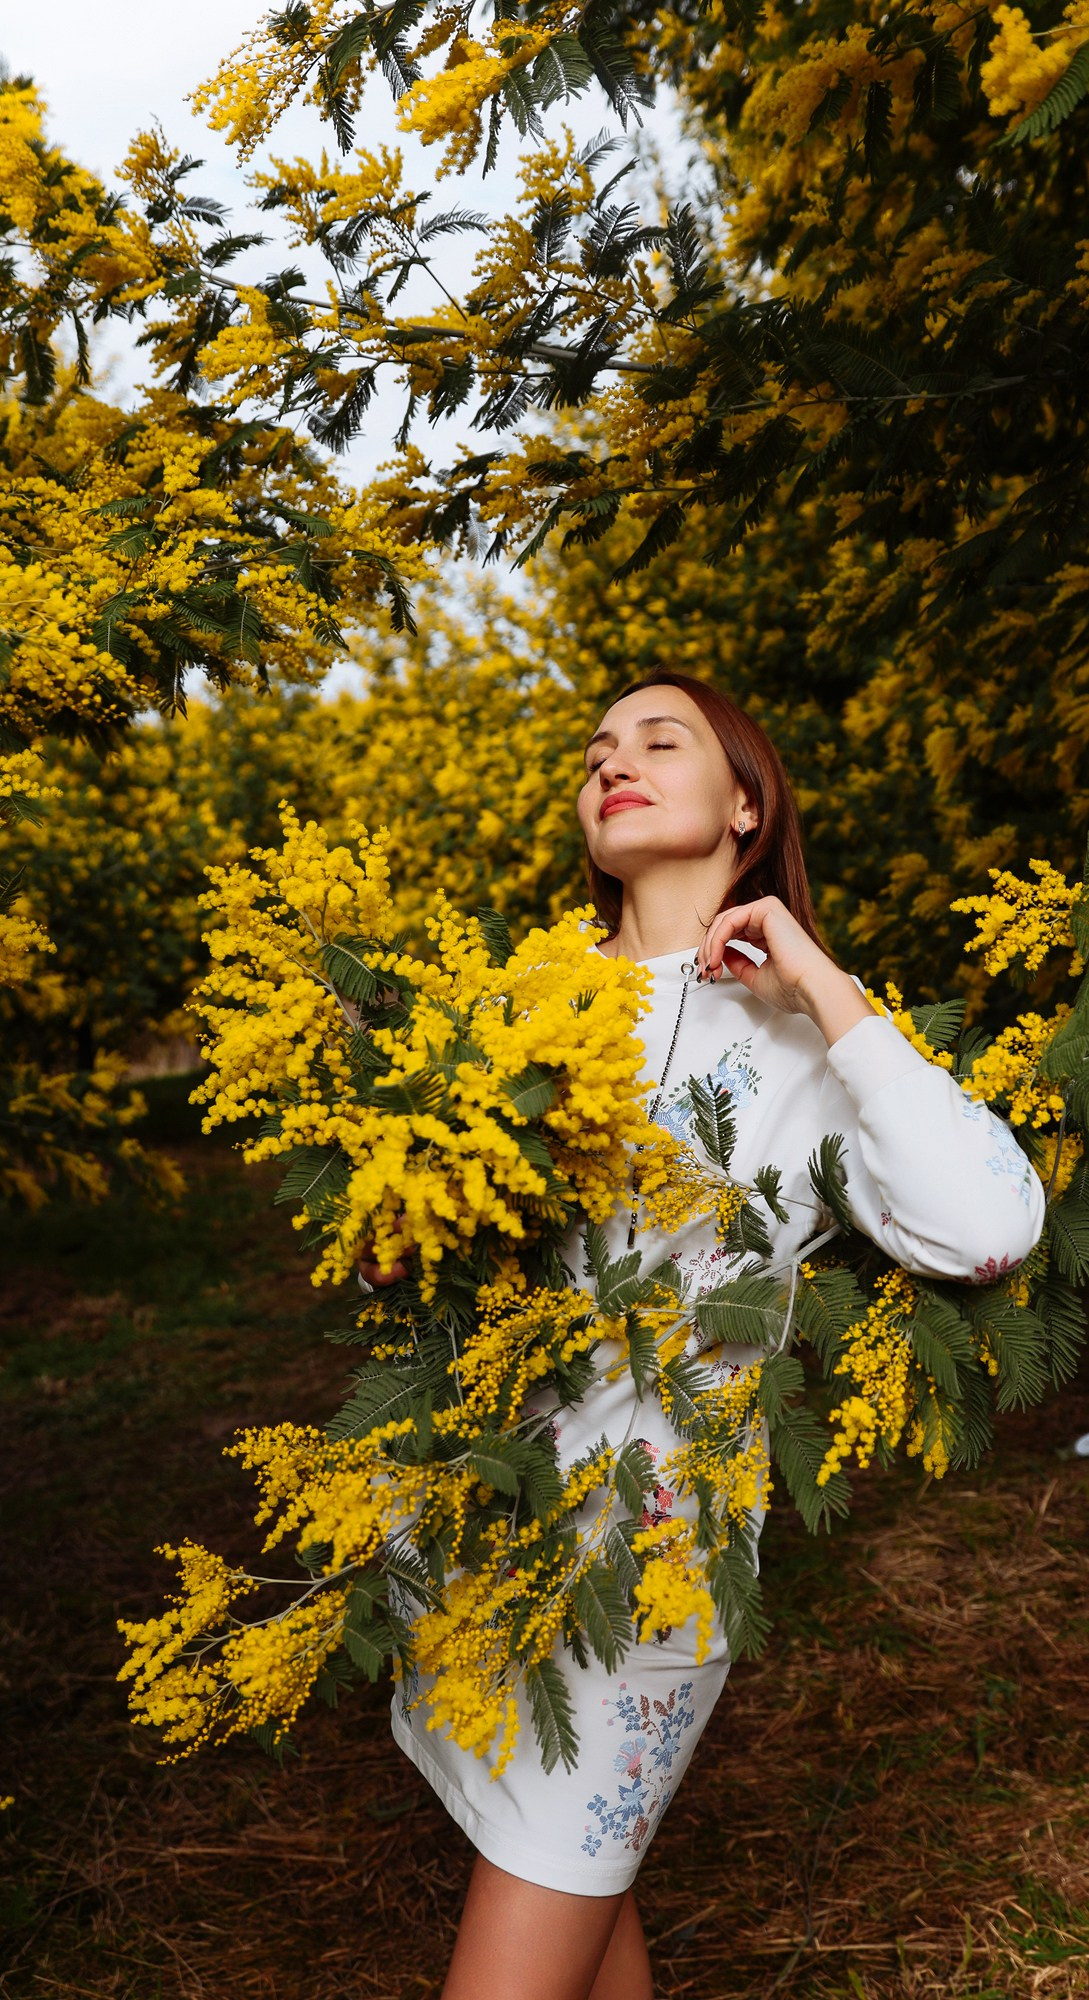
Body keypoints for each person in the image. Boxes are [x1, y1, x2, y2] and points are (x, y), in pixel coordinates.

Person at [358, 671, 1046, 2000]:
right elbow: (443, 1266)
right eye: (596, 750)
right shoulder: (510, 1003)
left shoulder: (804, 1033)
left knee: (537, 1908)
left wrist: (815, 979)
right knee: (565, 1873)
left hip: (649, 1561)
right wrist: (406, 1243)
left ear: (744, 801)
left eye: (657, 740)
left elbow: (984, 1229)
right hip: (471, 1521)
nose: (613, 762)